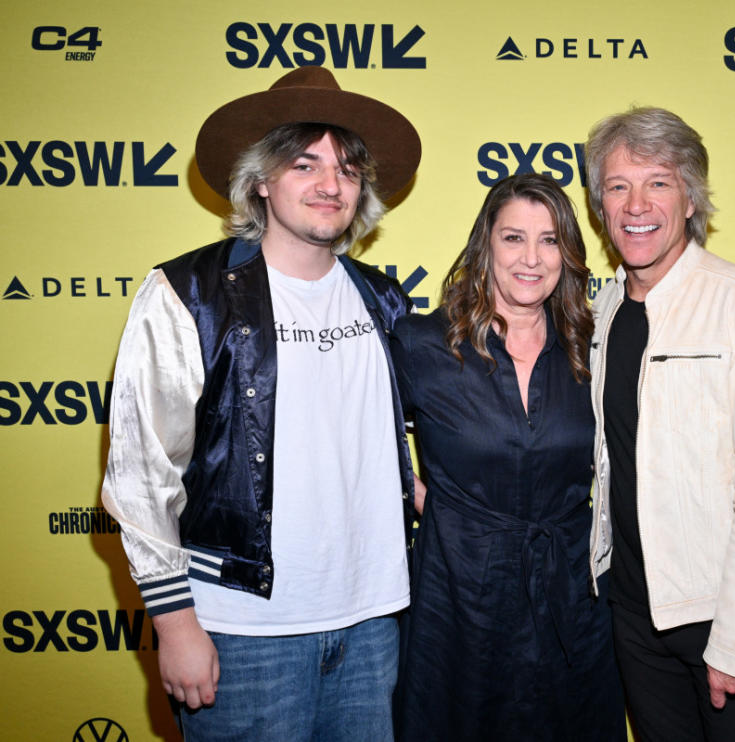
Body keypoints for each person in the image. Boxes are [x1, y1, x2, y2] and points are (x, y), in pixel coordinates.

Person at [101, 67, 421, 741]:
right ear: (261, 181)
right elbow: (140, 475)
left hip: (374, 624)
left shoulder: (382, 298)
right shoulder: (188, 294)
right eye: (304, 163)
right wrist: (175, 621)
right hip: (244, 631)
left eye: (347, 168)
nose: (330, 184)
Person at [584, 106, 735, 742]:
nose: (636, 204)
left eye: (658, 182)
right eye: (618, 186)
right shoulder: (600, 311)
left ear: (690, 199)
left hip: (725, 617)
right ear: (601, 206)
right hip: (633, 613)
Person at [390, 174, 626, 742]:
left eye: (549, 241)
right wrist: (422, 496)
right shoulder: (422, 343)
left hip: (571, 594)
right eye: (513, 238)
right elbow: (356, 438)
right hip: (458, 593)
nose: (531, 258)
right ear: (485, 245)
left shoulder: (595, 345)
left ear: (567, 253)